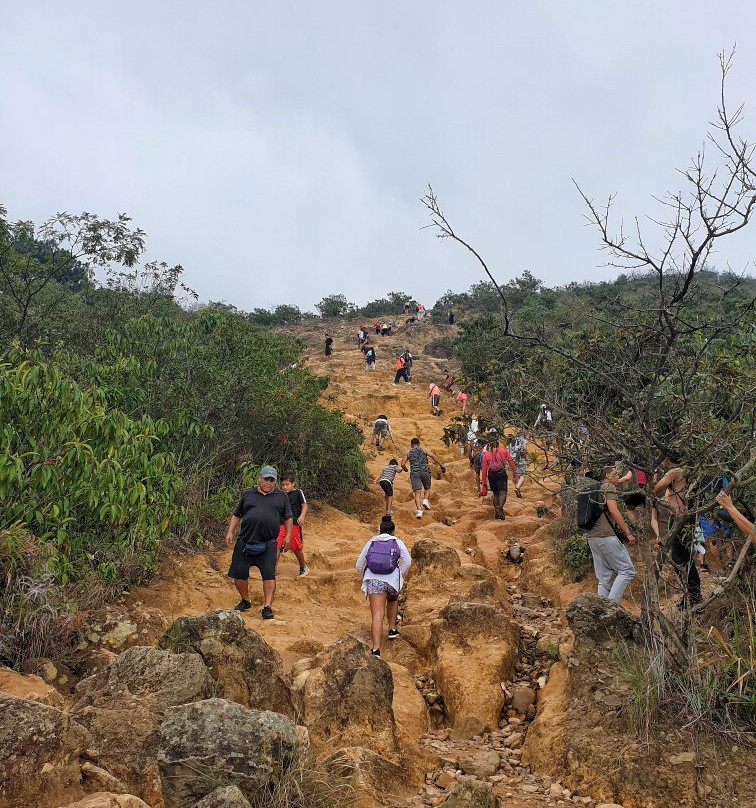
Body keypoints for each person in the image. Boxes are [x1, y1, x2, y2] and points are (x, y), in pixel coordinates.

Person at [225, 465, 292, 619]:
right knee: (239, 575)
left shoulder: (282, 496)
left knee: (269, 575)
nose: (268, 482)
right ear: (259, 478)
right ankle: (245, 600)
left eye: (271, 480)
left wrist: (288, 536)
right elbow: (237, 514)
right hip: (245, 541)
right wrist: (230, 532)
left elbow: (288, 517)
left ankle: (267, 607)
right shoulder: (248, 494)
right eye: (266, 479)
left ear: (274, 481)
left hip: (268, 543)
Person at [578, 465, 637, 602]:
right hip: (607, 536)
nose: (617, 478)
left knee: (604, 578)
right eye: (615, 475)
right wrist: (628, 532)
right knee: (627, 570)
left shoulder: (593, 490)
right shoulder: (608, 487)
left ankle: (601, 609)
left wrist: (625, 478)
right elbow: (613, 510)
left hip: (592, 537)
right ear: (608, 476)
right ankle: (612, 607)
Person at [355, 516, 412, 657]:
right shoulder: (397, 542)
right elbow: (407, 561)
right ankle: (392, 629)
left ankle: (376, 650)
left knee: (377, 615)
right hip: (392, 582)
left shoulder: (371, 542)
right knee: (392, 599)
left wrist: (366, 575)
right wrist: (398, 573)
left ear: (380, 530)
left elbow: (358, 564)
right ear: (393, 531)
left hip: (374, 582)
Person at [654, 449, 702, 608]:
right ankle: (692, 595)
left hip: (680, 519)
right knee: (684, 557)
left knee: (680, 558)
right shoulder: (686, 472)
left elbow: (655, 488)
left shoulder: (674, 471)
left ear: (667, 459)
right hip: (685, 518)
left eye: (663, 459)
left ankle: (694, 596)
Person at [401, 437, 445, 518]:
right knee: (427, 488)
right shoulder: (424, 450)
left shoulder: (408, 452)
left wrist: (405, 469)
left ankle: (419, 511)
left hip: (415, 473)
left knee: (417, 492)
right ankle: (425, 500)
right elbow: (432, 456)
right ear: (419, 444)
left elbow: (402, 464)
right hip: (425, 471)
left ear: (411, 445)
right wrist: (441, 464)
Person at [276, 472, 309, 577]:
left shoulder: (298, 492)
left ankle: (303, 566)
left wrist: (302, 516)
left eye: (287, 484)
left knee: (296, 547)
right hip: (281, 523)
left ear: (293, 484)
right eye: (283, 485)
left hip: (294, 523)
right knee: (276, 545)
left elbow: (304, 505)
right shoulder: (280, 495)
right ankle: (273, 568)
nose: (285, 487)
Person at [479, 440, 516, 520]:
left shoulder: (487, 454)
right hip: (501, 473)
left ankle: (497, 513)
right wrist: (514, 473)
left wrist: (484, 482)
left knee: (495, 494)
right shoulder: (503, 451)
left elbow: (484, 468)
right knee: (503, 493)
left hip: (491, 475)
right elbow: (510, 462)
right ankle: (500, 507)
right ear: (498, 444)